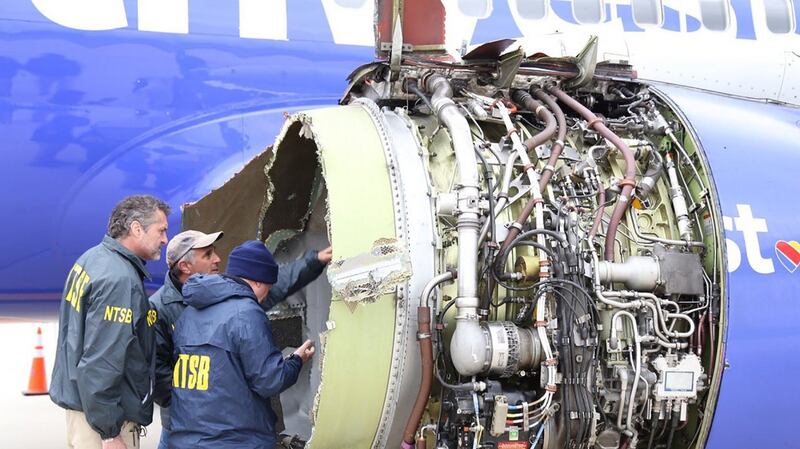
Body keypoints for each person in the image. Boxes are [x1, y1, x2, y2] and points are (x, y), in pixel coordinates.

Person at [149, 231, 331, 449]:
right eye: (207, 255)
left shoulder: (200, 306)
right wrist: (296, 361)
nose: (217, 259)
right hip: (222, 431)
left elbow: (270, 284)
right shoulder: (163, 308)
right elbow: (269, 380)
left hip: (192, 432)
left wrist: (313, 261)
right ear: (184, 266)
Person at [50, 195, 170, 449]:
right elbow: (102, 362)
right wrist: (109, 433)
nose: (165, 240)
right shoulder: (119, 280)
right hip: (102, 421)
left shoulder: (92, 259)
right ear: (137, 228)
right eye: (161, 230)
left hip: (84, 411)